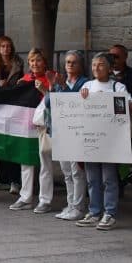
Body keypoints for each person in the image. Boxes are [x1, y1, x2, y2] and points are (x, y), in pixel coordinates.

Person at [76, 52, 132, 230]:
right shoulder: (86, 85)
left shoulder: (118, 87)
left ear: (109, 68)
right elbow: (76, 110)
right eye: (94, 65)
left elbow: (131, 108)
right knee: (92, 179)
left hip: (110, 141)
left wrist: (109, 100)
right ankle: (94, 212)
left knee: (109, 178)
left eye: (100, 65)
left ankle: (109, 213)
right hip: (92, 139)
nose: (96, 68)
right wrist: (83, 98)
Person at [12, 48, 55, 213]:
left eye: (38, 60)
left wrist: (45, 90)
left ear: (44, 62)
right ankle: (25, 197)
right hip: (26, 126)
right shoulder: (24, 80)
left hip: (44, 126)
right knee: (26, 162)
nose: (34, 64)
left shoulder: (52, 78)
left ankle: (45, 200)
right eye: (31, 61)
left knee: (45, 163)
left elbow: (58, 100)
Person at [53, 51, 89, 222]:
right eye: (67, 62)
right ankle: (70, 204)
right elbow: (50, 103)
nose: (70, 65)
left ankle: (79, 206)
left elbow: (77, 104)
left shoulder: (85, 83)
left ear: (81, 65)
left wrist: (64, 88)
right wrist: (52, 88)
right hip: (62, 131)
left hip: (77, 131)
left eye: (74, 62)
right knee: (66, 172)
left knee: (77, 172)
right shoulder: (61, 82)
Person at [0, 35, 24, 193]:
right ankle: (1, 178)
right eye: (2, 46)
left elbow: (22, 83)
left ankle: (15, 181)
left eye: (8, 46)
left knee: (12, 144)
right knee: (0, 144)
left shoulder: (18, 64)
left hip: (14, 107)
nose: (6, 49)